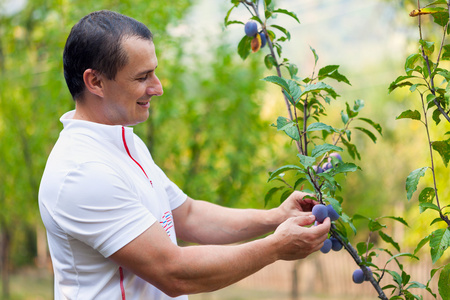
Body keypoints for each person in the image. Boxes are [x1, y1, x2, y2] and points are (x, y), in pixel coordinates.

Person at [38, 10, 331, 300]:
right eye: (142, 77)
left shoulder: (125, 141)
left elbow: (188, 216)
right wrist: (275, 247)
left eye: (154, 72)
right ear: (96, 82)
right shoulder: (82, 171)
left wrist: (275, 217)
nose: (158, 87)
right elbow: (174, 272)